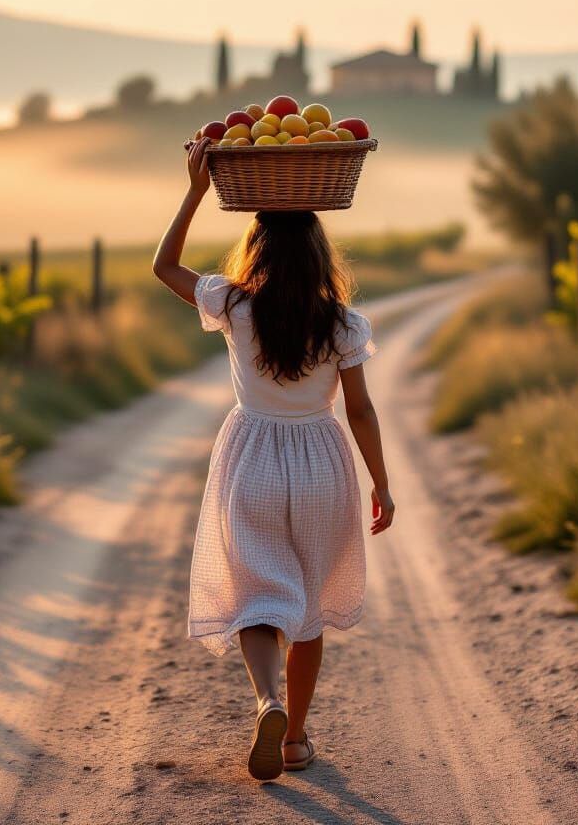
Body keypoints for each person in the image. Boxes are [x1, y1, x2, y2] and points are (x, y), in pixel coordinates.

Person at [153, 138, 395, 781]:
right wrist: (383, 485)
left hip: (252, 456)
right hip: (320, 462)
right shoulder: (344, 324)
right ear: (320, 256)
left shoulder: (233, 305)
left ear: (253, 250)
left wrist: (197, 190)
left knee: (256, 596)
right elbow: (362, 412)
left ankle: (266, 701)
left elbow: (163, 266)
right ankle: (295, 741)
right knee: (307, 604)